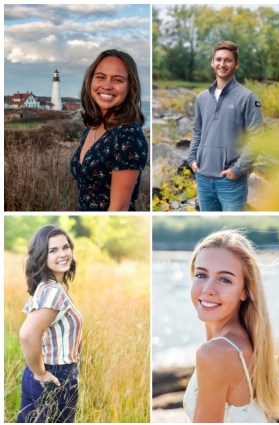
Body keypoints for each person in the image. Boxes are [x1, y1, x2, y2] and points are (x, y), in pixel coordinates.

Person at [183, 229, 279, 422]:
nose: (208, 290)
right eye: (201, 275)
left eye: (224, 279)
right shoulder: (247, 341)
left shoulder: (216, 353)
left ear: (245, 291)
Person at [17, 225, 83, 422]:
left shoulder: (46, 286)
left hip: (42, 373)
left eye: (65, 247)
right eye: (53, 250)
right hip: (55, 375)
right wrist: (41, 374)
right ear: (41, 256)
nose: (63, 254)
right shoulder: (53, 291)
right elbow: (27, 334)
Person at [188, 40, 263, 211]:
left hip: (230, 182)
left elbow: (257, 137)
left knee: (232, 229)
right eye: (218, 59)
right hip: (203, 178)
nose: (222, 64)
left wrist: (238, 169)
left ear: (236, 64)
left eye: (228, 60)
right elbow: (197, 130)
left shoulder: (248, 98)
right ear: (212, 62)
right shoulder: (202, 98)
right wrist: (192, 159)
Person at [70, 49, 148, 211]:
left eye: (117, 80)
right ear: (90, 80)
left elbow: (119, 208)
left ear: (130, 87)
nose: (106, 86)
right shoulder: (94, 127)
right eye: (100, 77)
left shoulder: (128, 136)